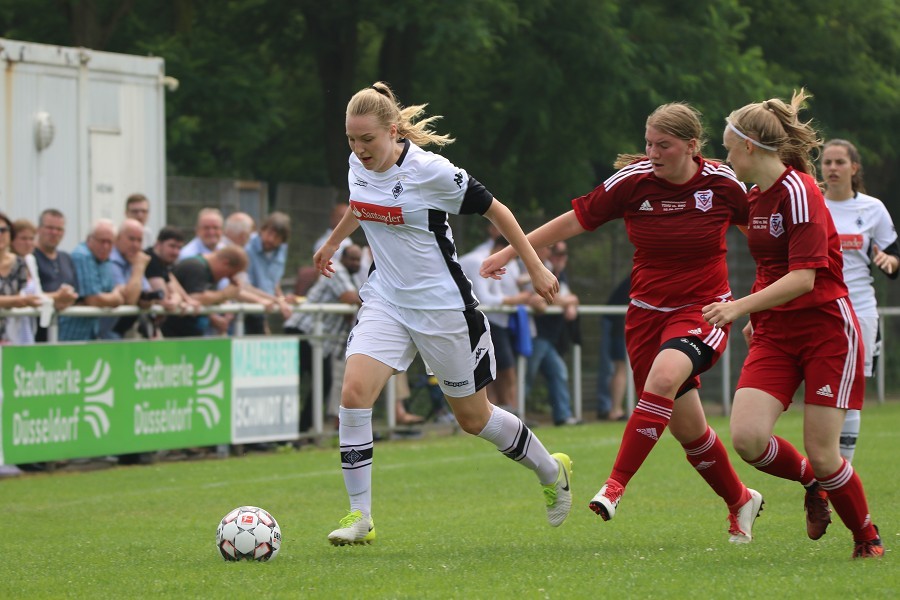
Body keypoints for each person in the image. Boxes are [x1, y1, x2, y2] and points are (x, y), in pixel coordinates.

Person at [483, 102, 762, 543]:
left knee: (665, 375)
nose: (651, 151)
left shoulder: (723, 184)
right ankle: (740, 500)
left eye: (663, 145)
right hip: (646, 316)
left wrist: (760, 305)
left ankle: (614, 487)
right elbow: (576, 220)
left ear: (691, 146)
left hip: (703, 309)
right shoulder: (633, 182)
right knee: (688, 429)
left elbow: (762, 241)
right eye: (648, 142)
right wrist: (510, 252)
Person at [315, 81, 571, 546]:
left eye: (367, 139)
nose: (358, 149)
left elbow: (499, 211)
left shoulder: (432, 172)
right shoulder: (358, 163)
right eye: (351, 140)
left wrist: (533, 265)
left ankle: (551, 470)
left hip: (443, 309)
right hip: (387, 301)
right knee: (353, 394)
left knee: (474, 419)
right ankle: (360, 517)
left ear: (394, 132)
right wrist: (334, 241)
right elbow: (361, 201)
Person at [702, 90, 883, 558]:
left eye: (726, 147)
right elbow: (770, 268)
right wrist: (758, 314)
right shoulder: (755, 197)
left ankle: (867, 539)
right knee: (746, 438)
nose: (725, 157)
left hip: (826, 331)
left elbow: (803, 279)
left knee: (826, 454)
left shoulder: (800, 191)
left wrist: (739, 307)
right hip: (777, 334)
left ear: (748, 147)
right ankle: (813, 484)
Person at [821, 139, 899, 463]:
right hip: (819, 307)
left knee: (852, 389)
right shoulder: (812, 203)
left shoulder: (872, 208)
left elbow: (894, 255)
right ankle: (825, 461)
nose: (833, 168)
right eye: (827, 162)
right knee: (822, 387)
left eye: (840, 162)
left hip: (860, 310)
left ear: (854, 168)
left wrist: (890, 263)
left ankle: (842, 472)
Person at [284, 243, 362, 434]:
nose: (355, 262)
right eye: (352, 258)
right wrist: (372, 303)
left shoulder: (351, 276)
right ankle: (289, 430)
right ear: (343, 258)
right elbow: (349, 297)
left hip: (318, 340)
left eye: (358, 259)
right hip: (303, 331)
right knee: (293, 382)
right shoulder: (337, 269)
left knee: (323, 382)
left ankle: (302, 429)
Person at [459, 236, 531, 412]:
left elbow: (494, 295)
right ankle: (493, 414)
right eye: (510, 255)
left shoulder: (491, 263)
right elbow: (484, 299)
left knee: (497, 370)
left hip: (487, 320)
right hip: (471, 322)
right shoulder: (479, 262)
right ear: (500, 248)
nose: (511, 261)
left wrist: (513, 300)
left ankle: (506, 412)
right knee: (494, 371)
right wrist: (516, 300)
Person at [525, 242, 579, 426]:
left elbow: (568, 297)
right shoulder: (537, 269)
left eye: (563, 254)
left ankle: (562, 416)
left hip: (547, 337)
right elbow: (538, 300)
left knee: (558, 372)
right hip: (535, 334)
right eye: (556, 253)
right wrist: (567, 301)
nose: (560, 257)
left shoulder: (559, 273)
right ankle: (515, 417)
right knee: (526, 375)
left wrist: (568, 301)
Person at [59, 219, 126, 341]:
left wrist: (109, 297)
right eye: (101, 241)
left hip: (92, 333)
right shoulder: (82, 255)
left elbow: (108, 292)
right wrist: (116, 298)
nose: (105, 246)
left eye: (110, 242)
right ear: (89, 239)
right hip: (71, 334)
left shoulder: (105, 258)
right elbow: (94, 299)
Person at [161, 246, 247, 338]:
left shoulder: (206, 270)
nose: (228, 278)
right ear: (225, 263)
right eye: (230, 274)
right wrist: (224, 295)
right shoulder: (196, 267)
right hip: (175, 336)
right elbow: (195, 297)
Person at [244, 212, 294, 335]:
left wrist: (282, 298)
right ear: (262, 230)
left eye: (277, 237)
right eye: (270, 233)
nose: (271, 239)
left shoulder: (282, 250)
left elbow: (273, 281)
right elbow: (245, 287)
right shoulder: (247, 247)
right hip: (244, 310)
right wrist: (278, 301)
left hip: (263, 311)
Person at [32, 209, 79, 341]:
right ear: (39, 229)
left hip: (64, 334)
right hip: (35, 333)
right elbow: (27, 294)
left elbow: (77, 291)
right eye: (50, 228)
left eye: (59, 229)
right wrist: (56, 298)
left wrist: (68, 298)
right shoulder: (29, 257)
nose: (54, 233)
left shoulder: (67, 258)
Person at [0, 213, 43, 341]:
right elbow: (21, 300)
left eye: (3, 230)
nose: (0, 234)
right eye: (24, 238)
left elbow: (21, 295)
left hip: (11, 335)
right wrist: (20, 301)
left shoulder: (19, 262)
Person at [597, 275, 630, 421]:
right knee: (620, 367)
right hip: (617, 325)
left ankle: (614, 408)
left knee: (619, 368)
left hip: (620, 323)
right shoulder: (641, 276)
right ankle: (614, 410)